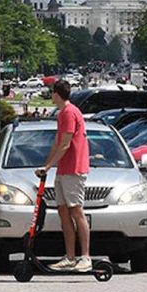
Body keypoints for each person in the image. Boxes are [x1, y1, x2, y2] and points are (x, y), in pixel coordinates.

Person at [35, 80, 91, 272]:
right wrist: (46, 166)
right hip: (63, 169)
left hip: (74, 169)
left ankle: (85, 257)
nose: (51, 96)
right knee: (63, 211)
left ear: (56, 94)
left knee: (76, 210)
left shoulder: (69, 112)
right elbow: (57, 144)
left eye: (52, 93)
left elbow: (66, 144)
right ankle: (70, 257)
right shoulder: (62, 114)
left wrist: (49, 166)